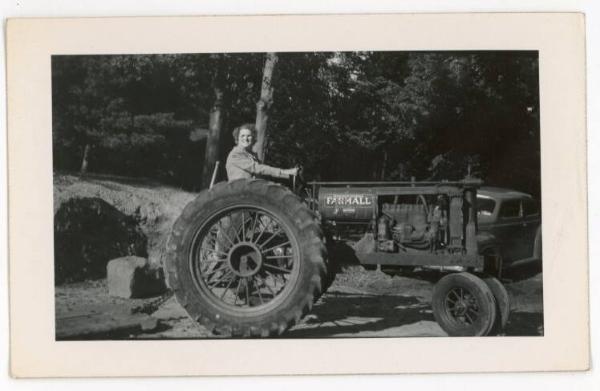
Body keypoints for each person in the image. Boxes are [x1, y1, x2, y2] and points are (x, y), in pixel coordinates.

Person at [226, 123, 298, 181]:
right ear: (237, 138)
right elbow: (257, 168)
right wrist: (284, 172)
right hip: (240, 193)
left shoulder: (251, 154)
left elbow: (262, 173)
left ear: (253, 138)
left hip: (252, 190)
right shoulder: (235, 155)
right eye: (242, 136)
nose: (245, 139)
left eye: (249, 136)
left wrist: (287, 175)